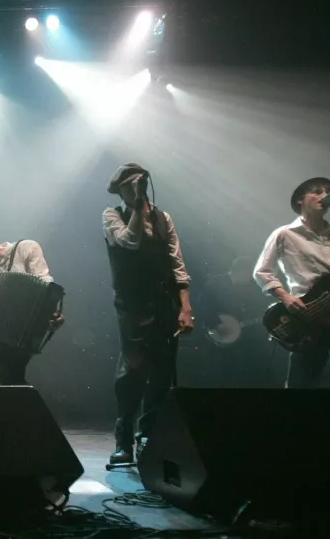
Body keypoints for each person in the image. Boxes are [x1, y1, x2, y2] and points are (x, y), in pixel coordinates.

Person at [103, 163, 193, 465]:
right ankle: (123, 440)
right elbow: (130, 241)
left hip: (164, 302)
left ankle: (149, 435)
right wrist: (139, 208)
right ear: (121, 190)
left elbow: (176, 262)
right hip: (132, 306)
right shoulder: (112, 215)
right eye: (129, 186)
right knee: (132, 372)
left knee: (163, 373)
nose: (134, 190)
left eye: (138, 184)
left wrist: (185, 306)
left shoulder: (163, 218)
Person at [253, 177, 330, 416]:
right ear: (300, 200)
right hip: (308, 317)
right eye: (316, 191)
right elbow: (262, 271)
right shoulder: (285, 234)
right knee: (302, 384)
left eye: (328, 192)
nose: (324, 195)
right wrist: (285, 297)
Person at [0, 231, 64, 385]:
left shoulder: (26, 248)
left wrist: (51, 314)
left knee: (10, 381)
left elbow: (45, 287)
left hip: (22, 335)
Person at [196, 256, 274, 387]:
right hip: (214, 337)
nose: (250, 280)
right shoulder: (215, 284)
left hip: (235, 340)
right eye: (249, 275)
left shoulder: (244, 290)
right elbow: (203, 306)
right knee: (215, 372)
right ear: (242, 271)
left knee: (233, 371)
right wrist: (216, 324)